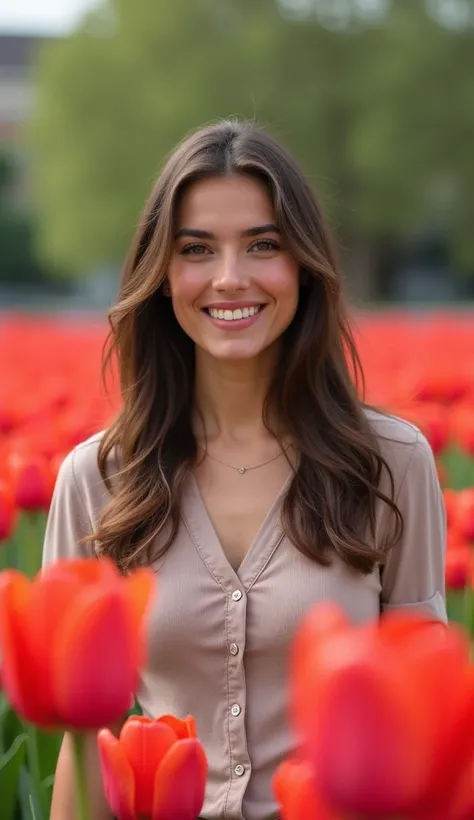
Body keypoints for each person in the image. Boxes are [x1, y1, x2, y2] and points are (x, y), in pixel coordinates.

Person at [43, 118, 446, 820]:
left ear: (304, 266)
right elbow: (85, 743)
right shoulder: (97, 480)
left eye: (264, 245)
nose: (231, 278)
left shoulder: (390, 465)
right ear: (163, 277)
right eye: (197, 250)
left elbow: (424, 715)